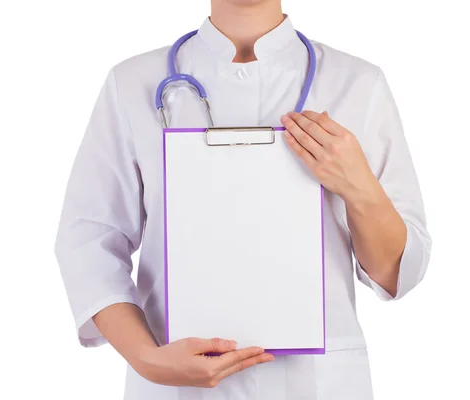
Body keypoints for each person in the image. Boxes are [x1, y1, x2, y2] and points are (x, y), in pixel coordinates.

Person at [54, 0, 432, 398]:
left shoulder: (356, 84)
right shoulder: (132, 84)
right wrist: (147, 359)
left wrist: (359, 186)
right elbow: (88, 243)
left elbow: (397, 274)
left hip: (317, 384)